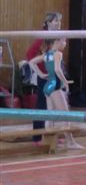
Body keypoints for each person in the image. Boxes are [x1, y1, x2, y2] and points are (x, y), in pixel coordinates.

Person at [28, 38, 84, 150]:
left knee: (50, 116)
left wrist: (41, 74)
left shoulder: (46, 55)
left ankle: (48, 141)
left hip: (47, 86)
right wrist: (65, 82)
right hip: (55, 86)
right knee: (66, 115)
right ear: (56, 42)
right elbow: (58, 70)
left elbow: (31, 62)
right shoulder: (58, 54)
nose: (65, 44)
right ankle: (70, 142)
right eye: (64, 41)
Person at [25, 12, 62, 143]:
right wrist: (41, 71)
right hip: (45, 77)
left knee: (52, 106)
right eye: (55, 21)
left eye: (59, 21)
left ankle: (50, 135)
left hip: (52, 75)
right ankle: (37, 137)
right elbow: (30, 55)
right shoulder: (43, 37)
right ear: (48, 23)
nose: (58, 23)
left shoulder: (57, 36)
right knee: (42, 105)